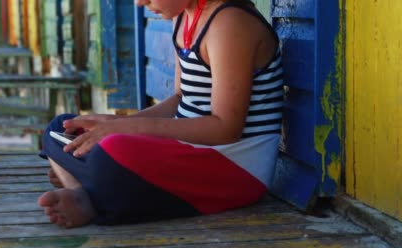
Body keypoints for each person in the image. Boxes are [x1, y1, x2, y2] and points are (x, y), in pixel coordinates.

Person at [38, 0, 284, 228]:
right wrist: (118, 123)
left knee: (112, 151)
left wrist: (123, 129)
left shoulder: (230, 23)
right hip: (188, 152)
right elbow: (179, 100)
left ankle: (86, 193)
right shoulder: (185, 19)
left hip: (234, 168)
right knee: (62, 128)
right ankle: (84, 190)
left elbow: (226, 129)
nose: (140, 3)